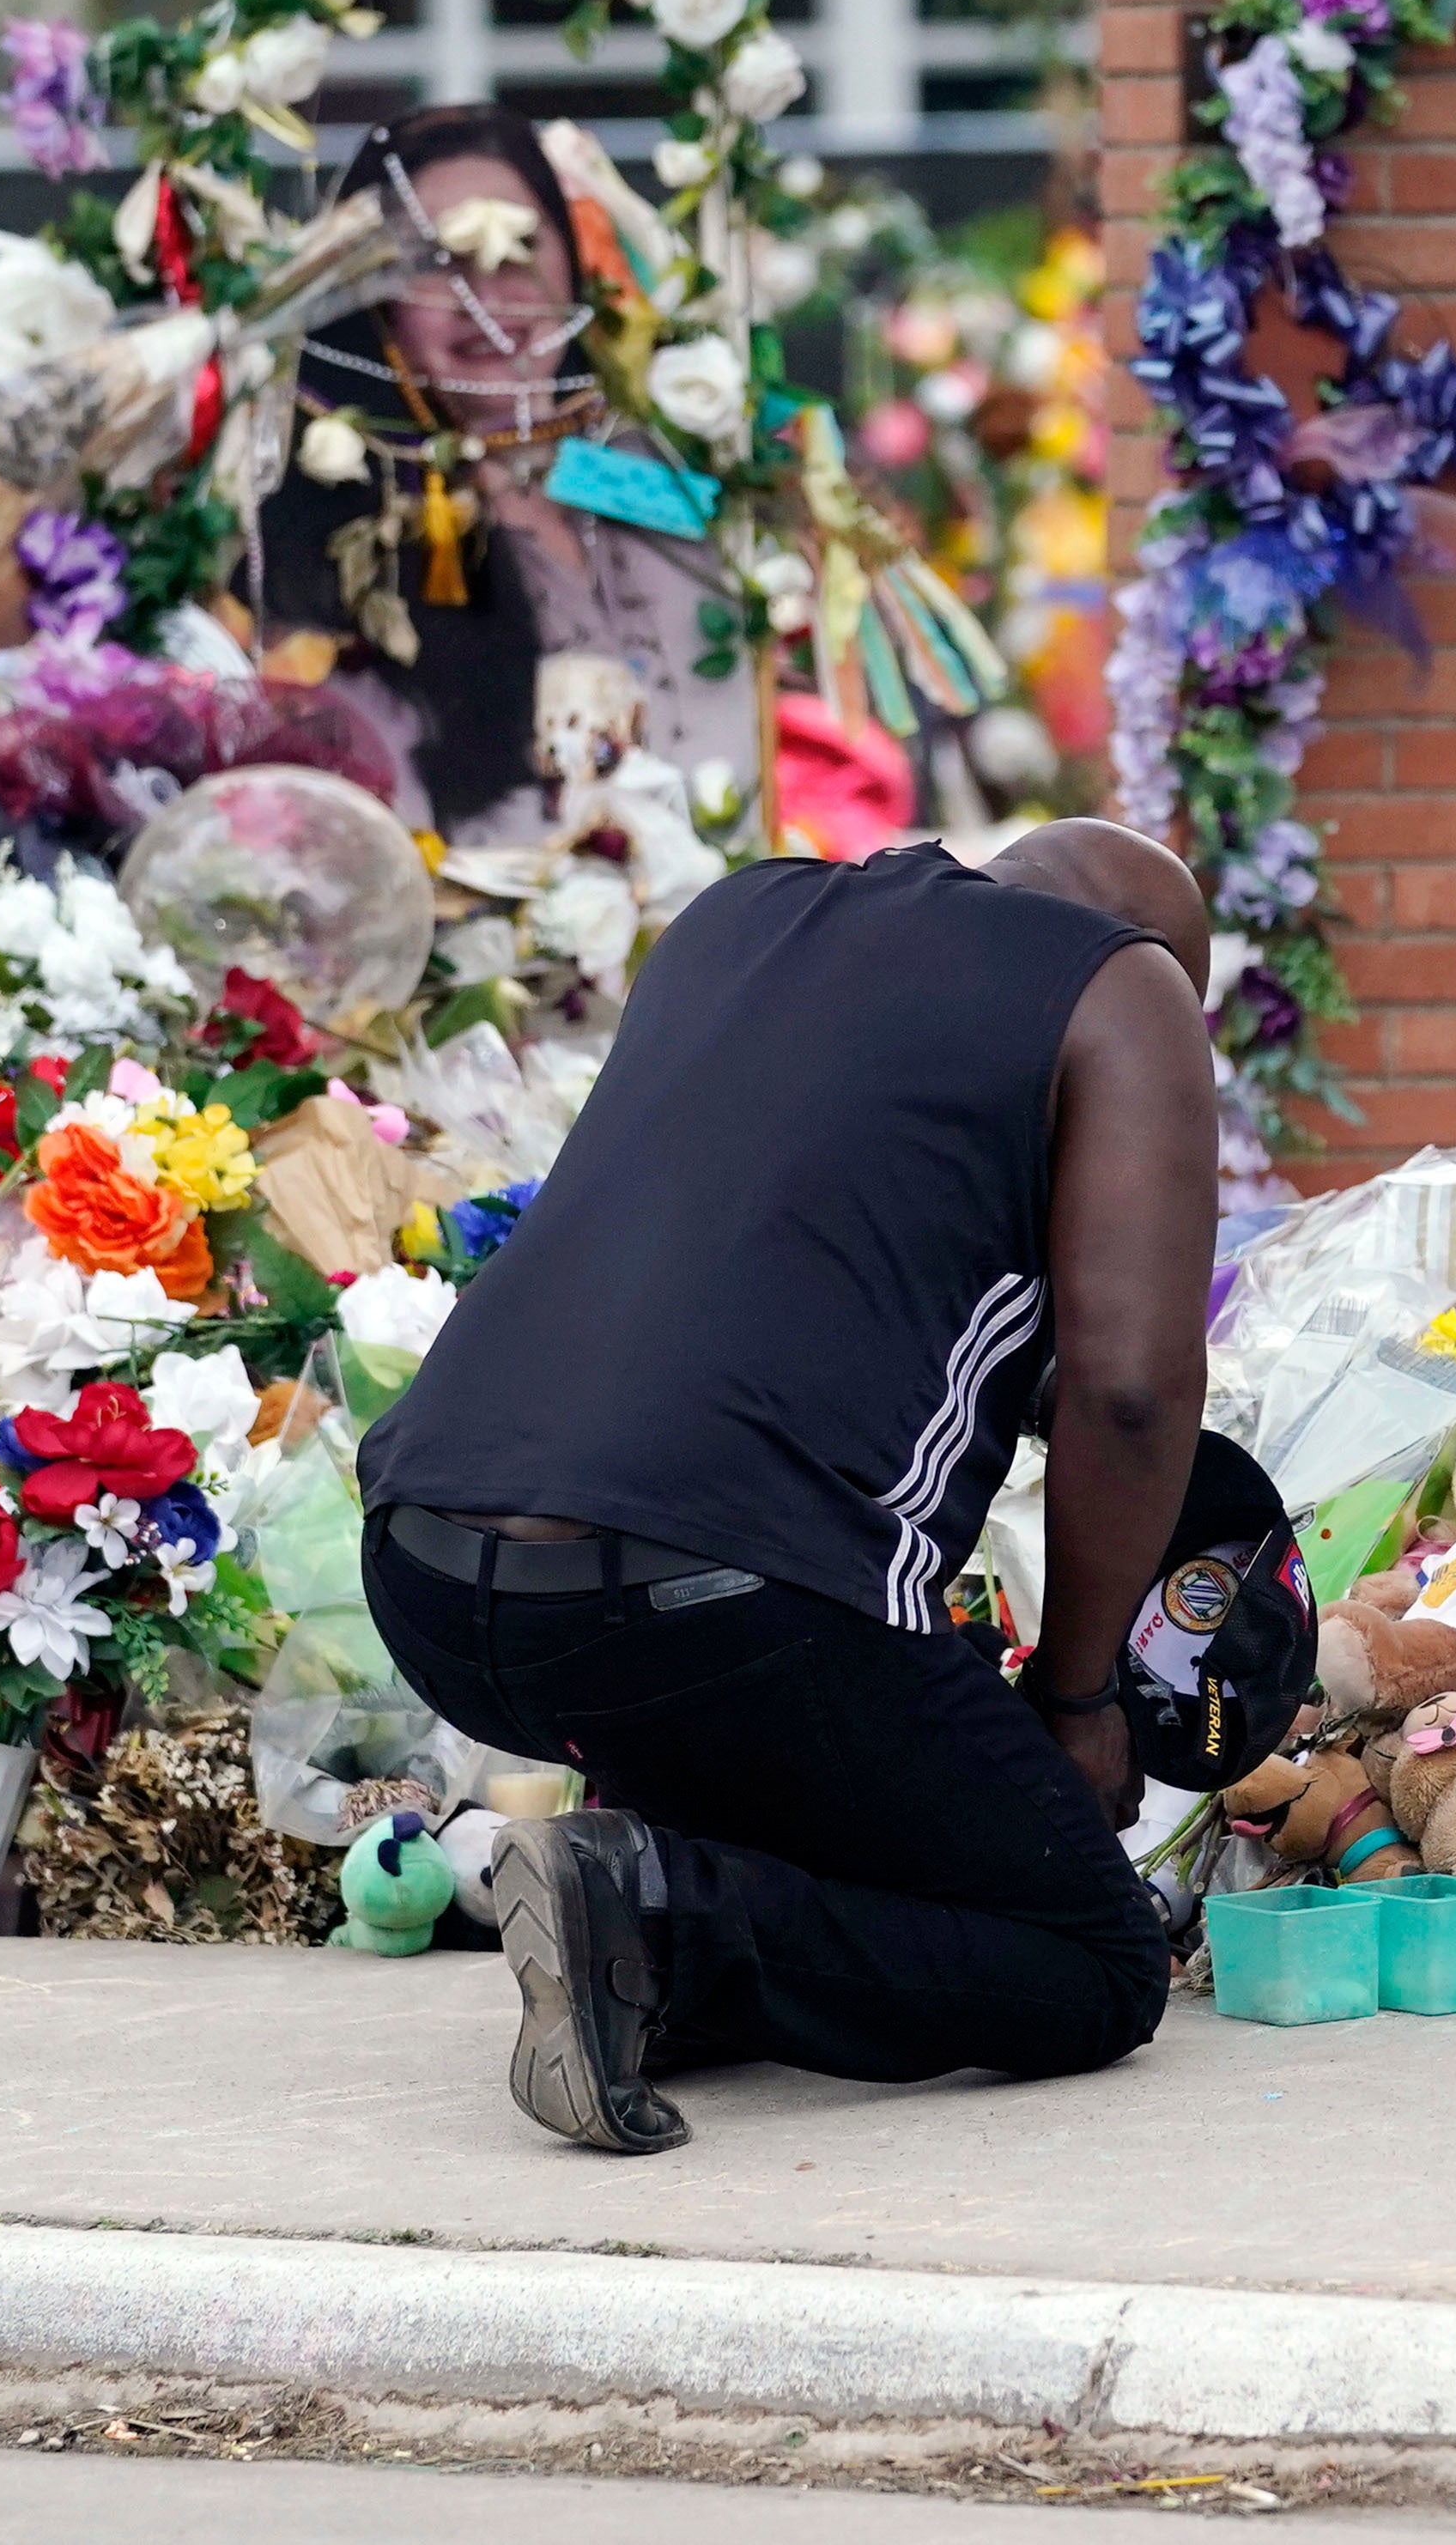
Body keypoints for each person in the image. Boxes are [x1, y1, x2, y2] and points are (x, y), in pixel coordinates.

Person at [359, 817, 1218, 2152]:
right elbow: (1133, 1389)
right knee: (1090, 1959)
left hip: (426, 1558)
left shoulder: (739, 912)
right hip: (716, 1597)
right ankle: (653, 1908)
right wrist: (1079, 1691)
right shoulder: (1123, 981)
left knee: (807, 1777)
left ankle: (632, 1939)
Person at [256, 103, 756, 843]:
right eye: (436, 260)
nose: (488, 300)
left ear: (575, 255)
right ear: (375, 299)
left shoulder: (640, 468)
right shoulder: (340, 519)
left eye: (523, 244)